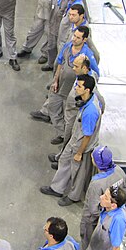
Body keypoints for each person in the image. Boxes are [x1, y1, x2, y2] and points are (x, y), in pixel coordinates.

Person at [40, 74, 102, 206]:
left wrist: (79, 153)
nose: (76, 88)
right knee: (64, 160)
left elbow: (87, 135)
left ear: (87, 90)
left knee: (78, 172)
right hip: (75, 140)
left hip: (81, 145)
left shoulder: (90, 112)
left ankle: (74, 196)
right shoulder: (88, 99)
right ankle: (57, 188)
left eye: (79, 86)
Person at [79, 146, 126, 250]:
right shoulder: (119, 171)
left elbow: (93, 209)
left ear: (96, 163)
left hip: (92, 221)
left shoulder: (97, 184)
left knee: (88, 240)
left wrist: (104, 215)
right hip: (110, 215)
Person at [17, 0, 57, 64]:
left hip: (51, 15)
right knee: (34, 30)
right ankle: (27, 48)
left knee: (49, 35)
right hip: (40, 11)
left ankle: (45, 54)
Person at [40, 0, 70, 72]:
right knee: (51, 46)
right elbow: (49, 7)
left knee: (61, 49)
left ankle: (59, 69)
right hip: (52, 25)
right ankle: (50, 64)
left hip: (62, 29)